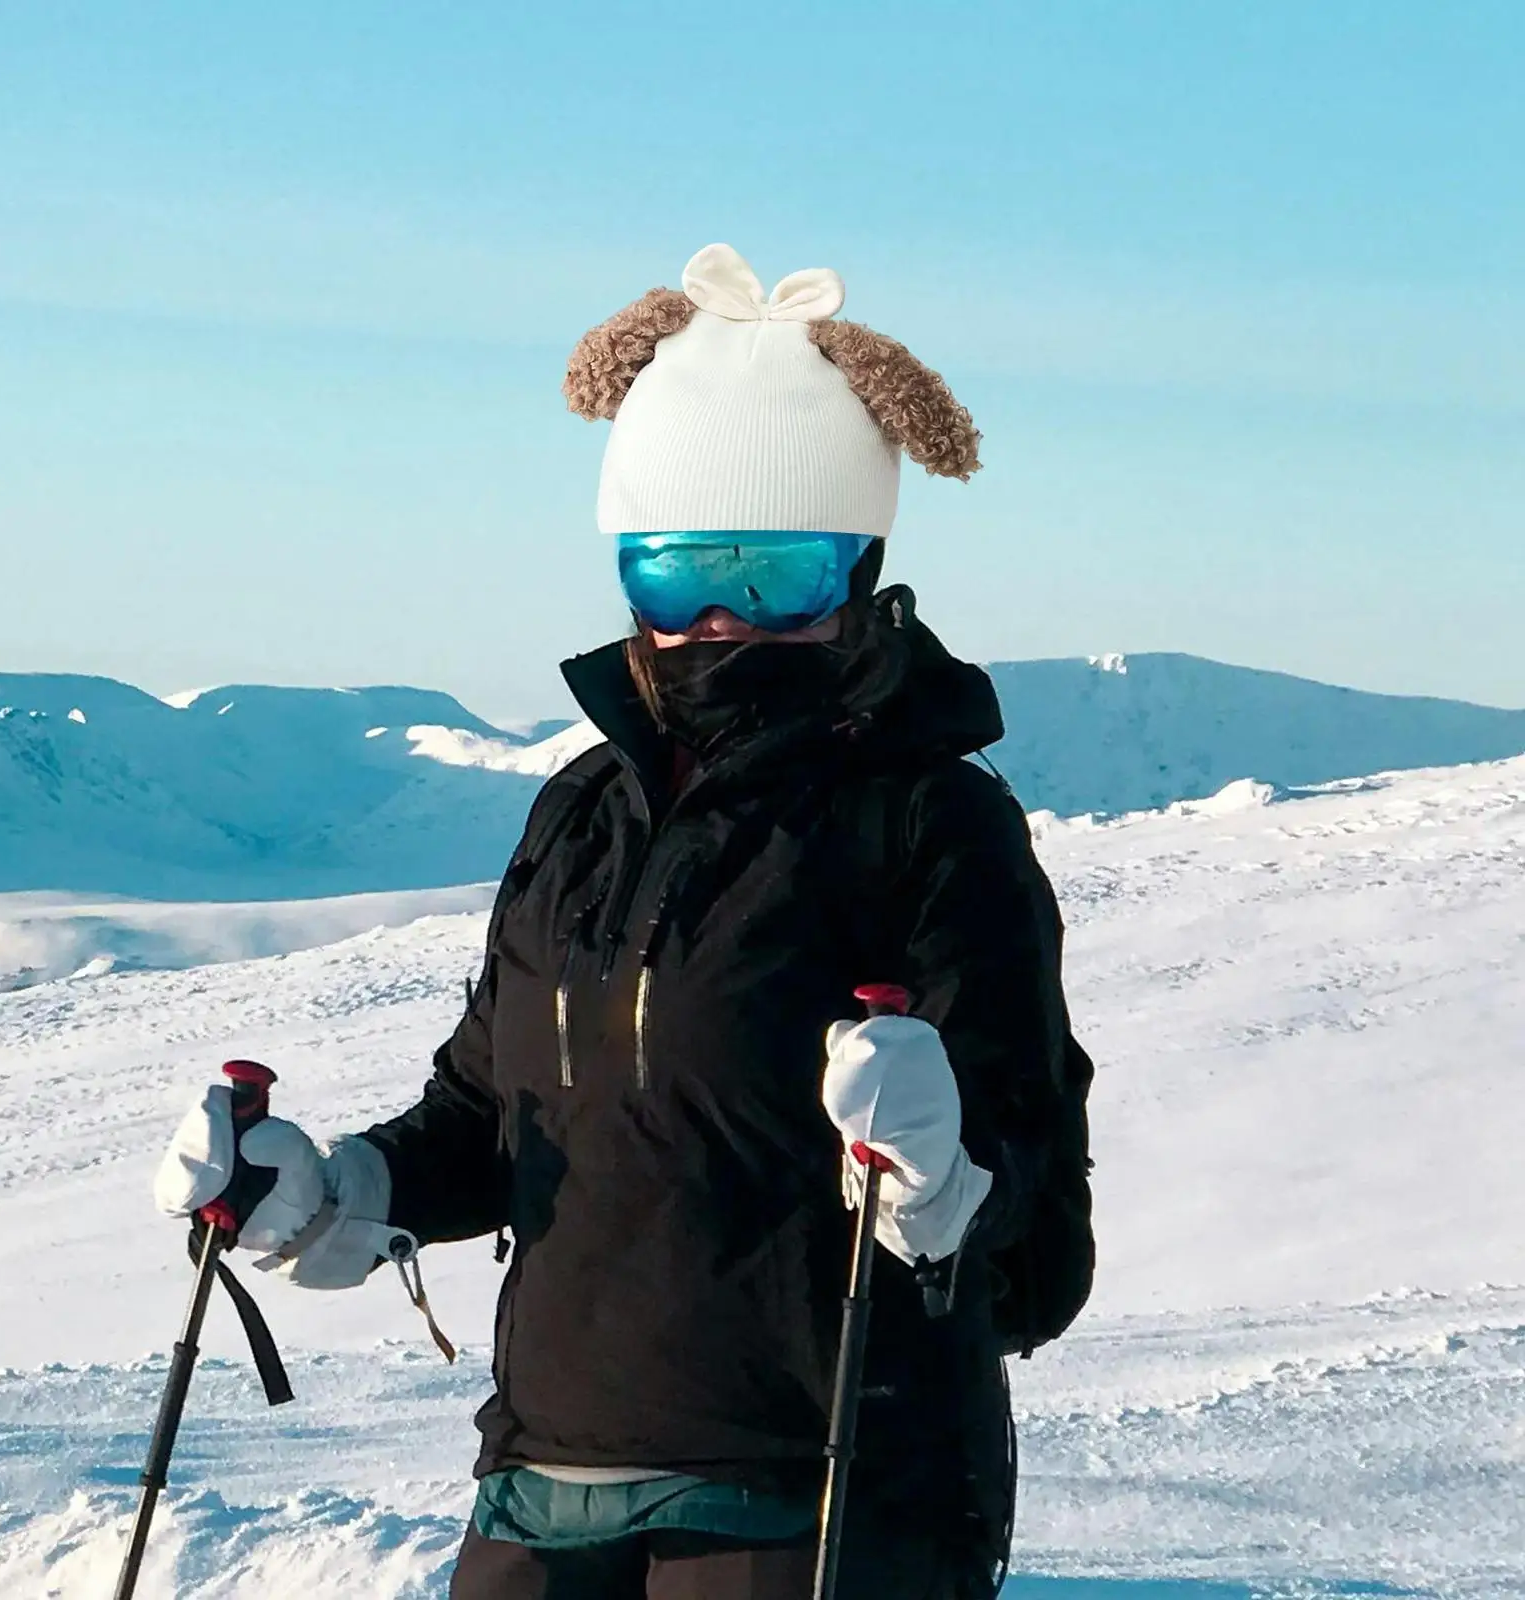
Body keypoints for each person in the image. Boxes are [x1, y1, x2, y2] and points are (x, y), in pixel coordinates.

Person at [156, 243, 1093, 1599]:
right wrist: (338, 1188)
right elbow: (497, 1116)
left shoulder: (930, 824)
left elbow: (1037, 1246)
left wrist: (945, 1182)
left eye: (773, 579)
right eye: (672, 575)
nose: (718, 619)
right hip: (546, 1470)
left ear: (858, 575)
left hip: (826, 1484)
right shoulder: (580, 814)